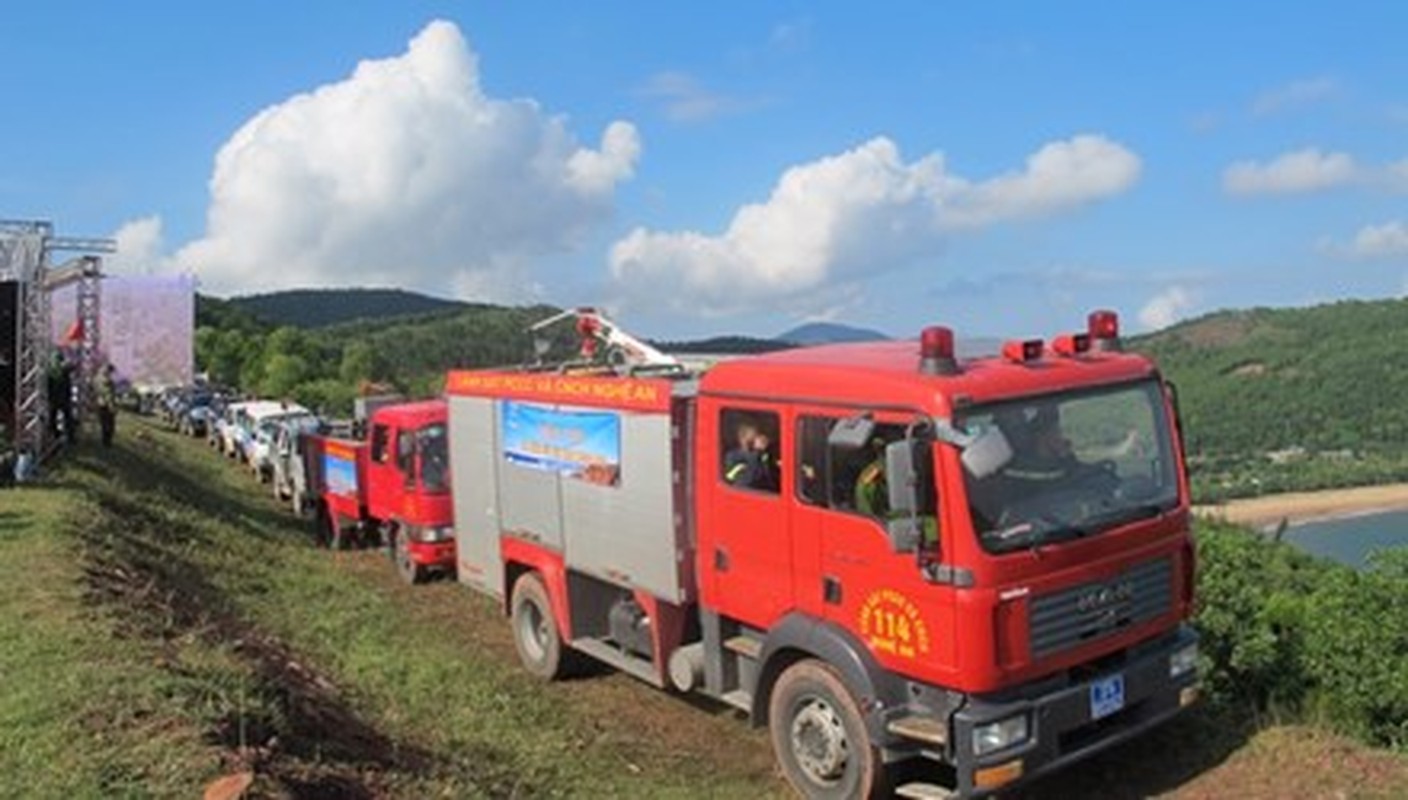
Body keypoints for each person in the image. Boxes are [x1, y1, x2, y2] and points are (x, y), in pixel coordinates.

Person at [724, 420, 778, 491]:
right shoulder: (732, 457)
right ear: (743, 437)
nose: (757, 439)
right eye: (753, 437)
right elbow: (747, 480)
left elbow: (770, 475)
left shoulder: (761, 454)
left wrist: (768, 449)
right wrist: (757, 453)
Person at [94, 363, 118, 447]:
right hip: (107, 405)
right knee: (110, 424)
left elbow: (95, 390)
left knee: (104, 423)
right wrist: (112, 407)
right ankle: (107, 442)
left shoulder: (97, 378)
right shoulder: (107, 381)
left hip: (100, 403)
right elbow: (109, 395)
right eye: (111, 372)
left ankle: (105, 441)